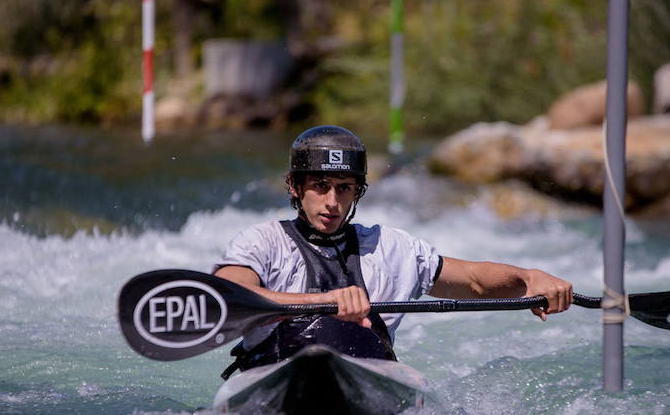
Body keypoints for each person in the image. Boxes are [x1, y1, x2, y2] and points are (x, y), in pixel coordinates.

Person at [213, 125, 572, 378]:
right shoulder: (261, 241)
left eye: (344, 188)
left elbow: (475, 282)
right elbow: (225, 296)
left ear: (358, 192)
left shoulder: (391, 247)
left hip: (366, 374)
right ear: (294, 186)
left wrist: (528, 278)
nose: (332, 201)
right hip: (274, 373)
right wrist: (322, 302)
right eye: (320, 186)